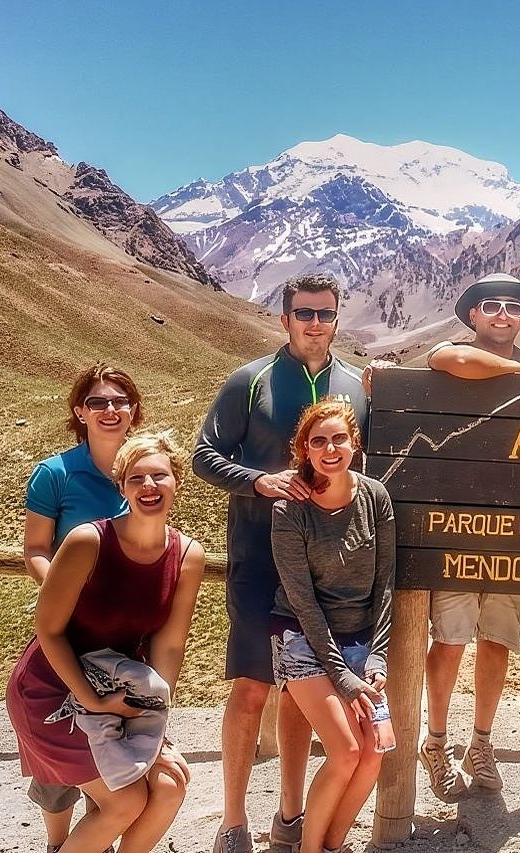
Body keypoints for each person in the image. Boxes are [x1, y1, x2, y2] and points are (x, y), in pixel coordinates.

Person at [194, 273, 368, 853]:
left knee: (302, 689)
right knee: (249, 688)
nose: (314, 323)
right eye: (303, 313)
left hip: (325, 566)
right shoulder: (250, 382)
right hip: (256, 556)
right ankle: (233, 821)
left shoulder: (355, 386)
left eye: (324, 313)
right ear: (284, 317)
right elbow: (202, 456)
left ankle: (290, 816)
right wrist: (259, 480)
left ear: (337, 317)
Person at [7, 431, 206, 853]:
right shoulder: (88, 541)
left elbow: (169, 647)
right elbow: (49, 629)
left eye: (159, 476)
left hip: (122, 688)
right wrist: (93, 701)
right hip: (53, 687)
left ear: (177, 483)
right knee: (125, 801)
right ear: (121, 487)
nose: (148, 487)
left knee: (170, 785)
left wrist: (154, 723)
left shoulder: (188, 555)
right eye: (136, 478)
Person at [417, 273, 520, 801]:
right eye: (491, 306)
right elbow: (455, 362)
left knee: (497, 640)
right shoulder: (453, 351)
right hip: (458, 525)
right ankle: (436, 742)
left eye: (512, 308)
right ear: (472, 315)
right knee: (449, 641)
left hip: (518, 529)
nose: (502, 314)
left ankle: (481, 743)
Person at [22, 364, 143, 851]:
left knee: (110, 739)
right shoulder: (55, 474)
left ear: (134, 411)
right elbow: (35, 548)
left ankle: (97, 840)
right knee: (59, 743)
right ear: (80, 412)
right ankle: (58, 842)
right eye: (98, 402)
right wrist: (68, 595)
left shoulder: (143, 472)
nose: (110, 410)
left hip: (125, 633)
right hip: (68, 628)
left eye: (119, 401)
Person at [270, 399, 395, 853]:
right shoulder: (290, 509)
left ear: (354, 443)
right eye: (318, 440)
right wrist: (342, 676)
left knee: (373, 753)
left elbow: (385, 586)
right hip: (303, 638)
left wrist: (377, 656)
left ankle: (331, 845)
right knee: (344, 753)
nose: (329, 448)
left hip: (361, 638)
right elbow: (302, 601)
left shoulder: (375, 496)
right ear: (304, 449)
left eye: (338, 438)